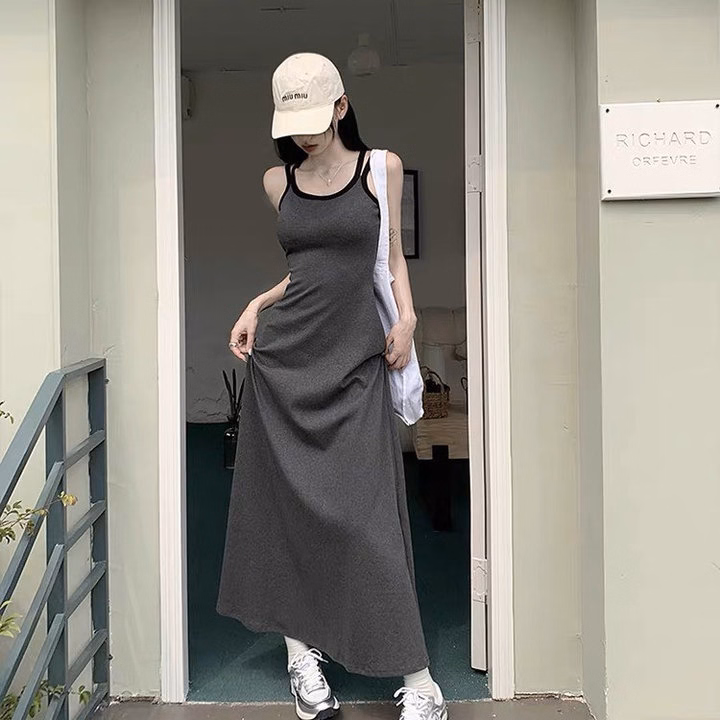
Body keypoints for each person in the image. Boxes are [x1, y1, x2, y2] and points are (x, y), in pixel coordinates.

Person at [216, 51, 448, 720]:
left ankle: (420, 682)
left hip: (354, 364)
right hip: (286, 362)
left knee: (368, 519)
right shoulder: (277, 181)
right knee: (288, 511)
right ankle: (302, 656)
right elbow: (309, 268)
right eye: (293, 124)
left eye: (315, 121)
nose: (304, 135)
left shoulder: (381, 169)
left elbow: (388, 258)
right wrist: (257, 303)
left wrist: (408, 320)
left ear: (342, 107)